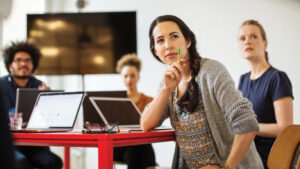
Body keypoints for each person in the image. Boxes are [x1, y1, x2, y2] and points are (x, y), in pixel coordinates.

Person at [140, 15, 264, 169]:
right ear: (156, 52)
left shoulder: (211, 72)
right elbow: (146, 124)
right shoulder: (168, 82)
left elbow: (247, 123)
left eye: (174, 36)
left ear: (188, 41)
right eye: (160, 41)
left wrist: (226, 167)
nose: (168, 45)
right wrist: (166, 89)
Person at [237, 20, 294, 168]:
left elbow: (285, 128)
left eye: (253, 36)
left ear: (265, 43)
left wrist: (249, 127)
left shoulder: (277, 78)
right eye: (242, 38)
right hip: (246, 154)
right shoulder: (243, 79)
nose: (247, 41)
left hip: (269, 158)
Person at [0, 41, 63, 169]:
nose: (23, 64)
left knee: (53, 162)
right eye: (18, 60)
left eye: (28, 60)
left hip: (34, 144)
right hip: (9, 144)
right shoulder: (1, 86)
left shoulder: (39, 85)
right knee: (20, 162)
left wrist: (49, 99)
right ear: (10, 64)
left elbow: (52, 119)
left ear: (33, 64)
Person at [113, 53, 156, 169]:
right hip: (119, 145)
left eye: (132, 75)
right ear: (122, 78)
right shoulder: (114, 101)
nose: (129, 79)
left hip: (138, 145)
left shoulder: (149, 101)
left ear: (138, 77)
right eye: (125, 76)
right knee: (140, 148)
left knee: (136, 148)